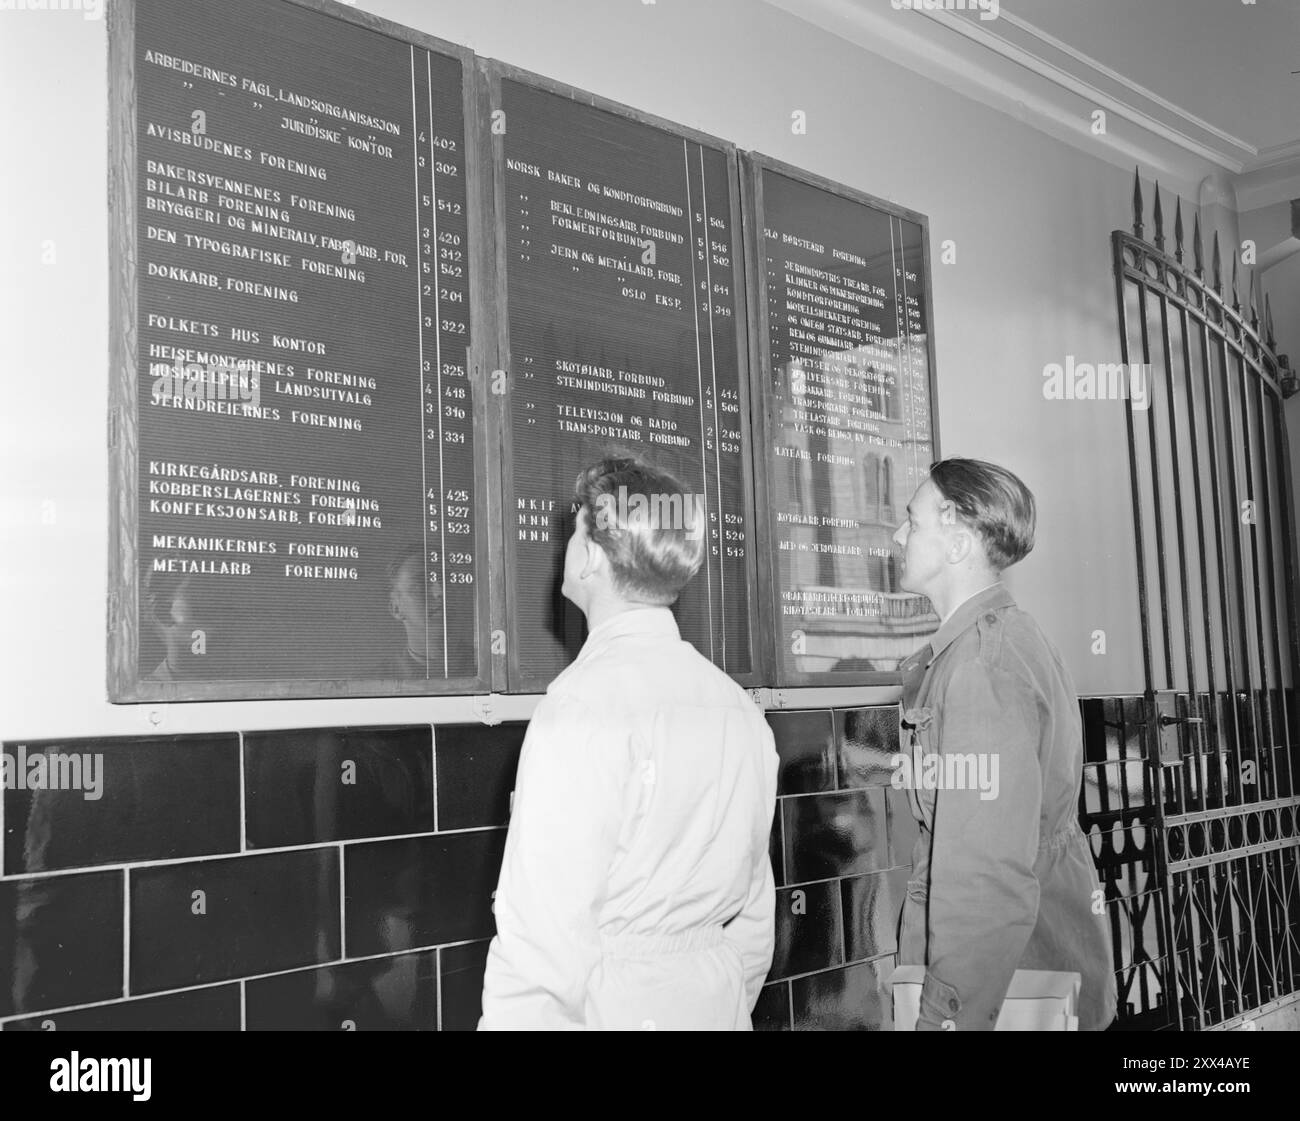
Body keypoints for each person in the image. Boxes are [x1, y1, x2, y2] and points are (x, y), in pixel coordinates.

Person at [478, 456, 778, 1030]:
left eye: (575, 531)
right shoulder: (739, 709)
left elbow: (543, 939)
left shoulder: (581, 707)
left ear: (591, 556)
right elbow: (754, 917)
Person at [890, 457, 1116, 1030]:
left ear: (959, 543)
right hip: (1036, 965)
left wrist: (946, 1019)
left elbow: (984, 877)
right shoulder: (1009, 638)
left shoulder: (981, 669)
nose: (898, 535)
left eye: (912, 522)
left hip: (1005, 987)